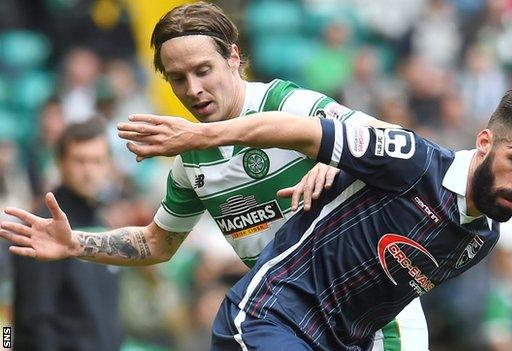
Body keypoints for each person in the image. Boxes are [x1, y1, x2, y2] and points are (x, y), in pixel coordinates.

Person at [1, 2, 428, 350]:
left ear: (234, 58)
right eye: (178, 78)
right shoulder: (191, 161)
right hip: (291, 325)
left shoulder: (287, 103)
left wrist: (334, 157)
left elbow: (393, 137)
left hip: (372, 320)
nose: (193, 89)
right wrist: (76, 243)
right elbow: (155, 243)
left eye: (203, 70)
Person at [110, 88, 512, 350]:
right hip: (272, 320)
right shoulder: (412, 160)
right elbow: (300, 130)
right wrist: (199, 135)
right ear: (486, 142)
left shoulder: (483, 236)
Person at [11, 119, 123, 351]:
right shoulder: (43, 229)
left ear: (109, 166)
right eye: (80, 161)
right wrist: (5, 343)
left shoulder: (103, 225)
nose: (89, 171)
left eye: (97, 161)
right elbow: (33, 319)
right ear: (60, 163)